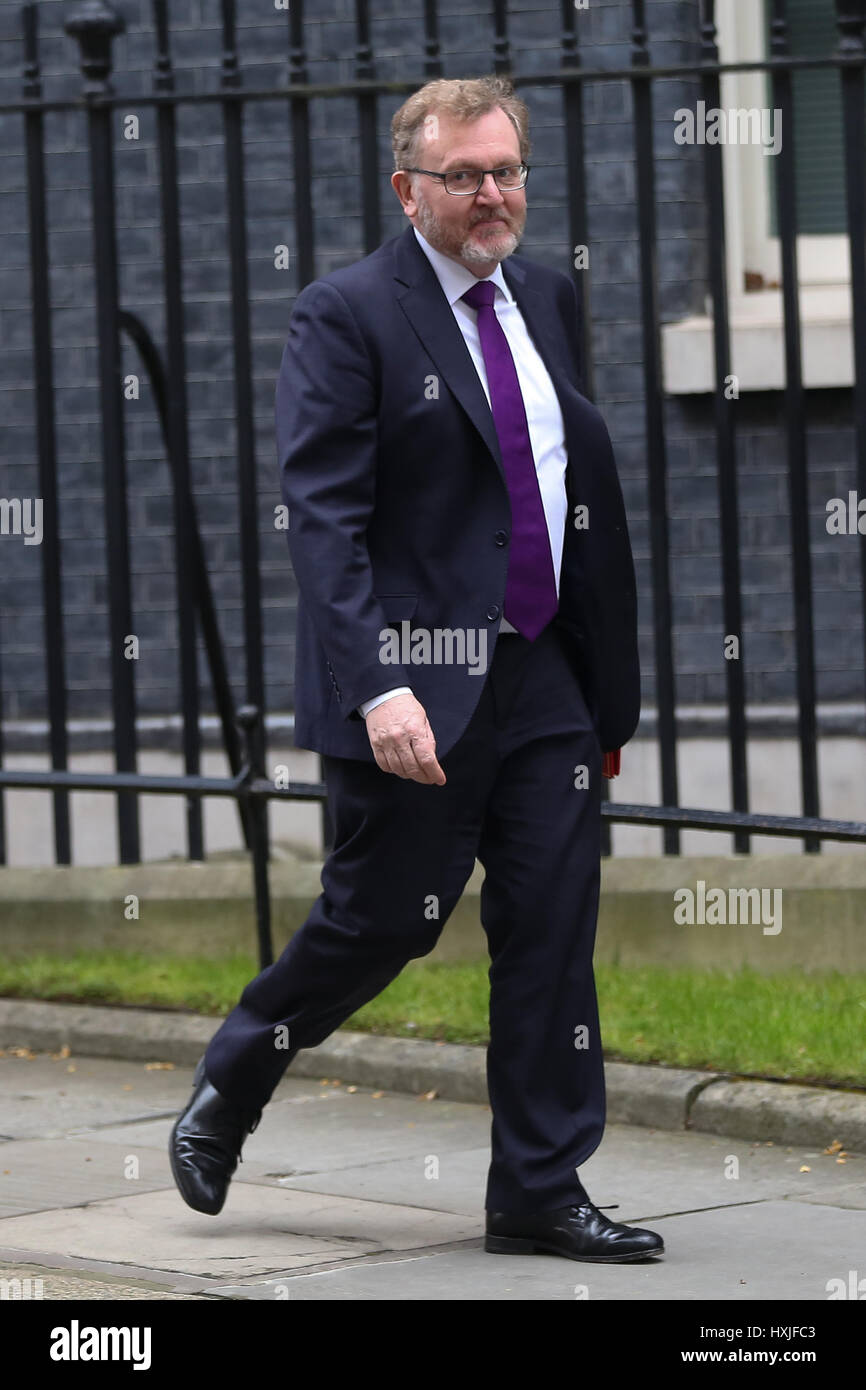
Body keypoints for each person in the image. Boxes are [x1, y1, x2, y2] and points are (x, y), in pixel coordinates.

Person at [169, 74, 663, 1265]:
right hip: (416, 681)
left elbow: (558, 483)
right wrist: (377, 684)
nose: (493, 194)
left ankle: (538, 1187)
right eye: (465, 176)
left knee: (549, 925)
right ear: (409, 188)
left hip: (543, 673)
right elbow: (323, 520)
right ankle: (236, 1077)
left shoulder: (541, 294)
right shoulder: (348, 314)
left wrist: (603, 692)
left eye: (507, 172)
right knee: (380, 920)